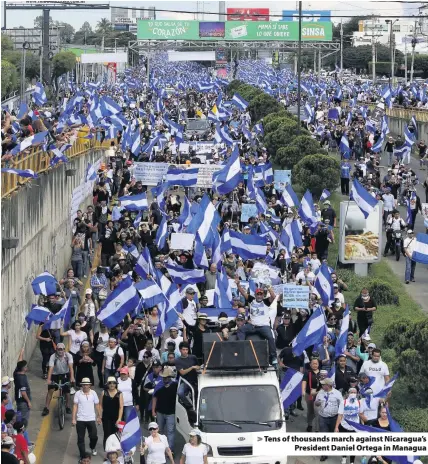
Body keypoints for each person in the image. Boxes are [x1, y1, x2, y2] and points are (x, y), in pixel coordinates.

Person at [235, 283, 278, 364]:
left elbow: (273, 297)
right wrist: (238, 284)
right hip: (253, 326)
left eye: (261, 294)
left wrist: (269, 287)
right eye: (257, 294)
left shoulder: (266, 301)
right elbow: (243, 292)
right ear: (255, 294)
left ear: (263, 295)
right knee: (241, 330)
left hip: (264, 326)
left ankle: (273, 357)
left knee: (271, 337)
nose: (259, 296)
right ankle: (241, 350)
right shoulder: (251, 300)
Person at [42, 342, 74, 417]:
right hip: (55, 374)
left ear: (64, 350)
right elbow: (50, 368)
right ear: (56, 350)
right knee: (51, 390)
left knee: (67, 391)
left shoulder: (68, 356)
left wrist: (72, 377)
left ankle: (67, 406)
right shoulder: (53, 357)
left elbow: (71, 367)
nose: (60, 351)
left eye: (62, 349)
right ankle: (46, 408)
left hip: (65, 374)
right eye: (59, 349)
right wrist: (49, 379)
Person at [315, 378, 344, 461]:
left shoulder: (337, 393)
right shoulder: (320, 392)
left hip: (333, 418)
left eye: (324, 384)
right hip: (322, 417)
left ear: (328, 385)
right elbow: (316, 402)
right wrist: (317, 403)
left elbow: (341, 406)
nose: (322, 385)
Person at [72, 377, 101, 459]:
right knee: (80, 438)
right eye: (84, 385)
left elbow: (97, 405)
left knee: (94, 436)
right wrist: (73, 419)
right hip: (80, 419)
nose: (85, 386)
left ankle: (92, 447)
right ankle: (82, 455)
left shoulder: (93, 393)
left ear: (89, 385)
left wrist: (99, 416)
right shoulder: (78, 393)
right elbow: (75, 406)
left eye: (87, 385)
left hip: (91, 419)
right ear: (82, 385)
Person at [152, 366, 178, 453]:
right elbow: (154, 398)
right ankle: (161, 448)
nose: (165, 379)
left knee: (170, 432)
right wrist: (153, 410)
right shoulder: (159, 386)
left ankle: (170, 450)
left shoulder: (176, 386)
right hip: (160, 412)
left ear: (170, 377)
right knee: (160, 431)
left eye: (166, 377)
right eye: (164, 377)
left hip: (171, 413)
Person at [100, 377, 123, 449]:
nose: (112, 385)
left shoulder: (119, 393)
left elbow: (121, 407)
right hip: (106, 417)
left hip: (116, 417)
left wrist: (119, 418)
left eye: (114, 383)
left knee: (115, 434)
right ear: (107, 384)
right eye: (110, 383)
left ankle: (114, 452)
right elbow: (100, 405)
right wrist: (99, 416)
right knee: (107, 434)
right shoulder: (104, 392)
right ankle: (106, 452)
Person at [175, 342, 199, 412]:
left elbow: (198, 366)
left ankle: (196, 408)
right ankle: (190, 407)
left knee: (197, 394)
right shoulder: (178, 360)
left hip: (195, 381)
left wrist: (197, 368)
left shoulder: (193, 357)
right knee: (180, 393)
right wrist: (192, 367)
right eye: (183, 349)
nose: (185, 351)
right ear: (180, 350)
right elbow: (182, 372)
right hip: (185, 381)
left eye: (186, 350)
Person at [301, 358, 321, 432]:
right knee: (310, 411)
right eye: (313, 363)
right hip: (309, 394)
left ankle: (317, 429)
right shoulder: (307, 372)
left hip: (319, 395)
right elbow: (304, 382)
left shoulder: (322, 373)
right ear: (310, 364)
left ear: (318, 365)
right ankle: (309, 424)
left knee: (318, 412)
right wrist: (303, 391)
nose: (315, 365)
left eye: (316, 363)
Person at [13, 350, 32, 425]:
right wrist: (28, 402)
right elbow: (23, 393)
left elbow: (19, 363)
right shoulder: (22, 379)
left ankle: (17, 430)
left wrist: (21, 353)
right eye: (26, 366)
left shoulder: (16, 373)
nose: (27, 367)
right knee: (23, 421)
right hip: (23, 402)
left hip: (18, 401)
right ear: (24, 368)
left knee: (19, 417)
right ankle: (20, 434)